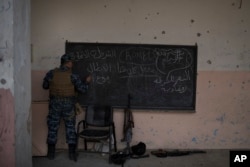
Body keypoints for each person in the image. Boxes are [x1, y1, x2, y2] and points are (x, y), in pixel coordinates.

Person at [42, 53, 92, 161]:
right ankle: (72, 154)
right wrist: (87, 82)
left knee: (52, 128)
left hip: (54, 105)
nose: (72, 64)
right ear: (68, 63)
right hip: (68, 106)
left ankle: (51, 154)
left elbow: (45, 86)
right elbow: (82, 89)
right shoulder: (73, 76)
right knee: (70, 128)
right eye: (72, 62)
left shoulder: (51, 73)